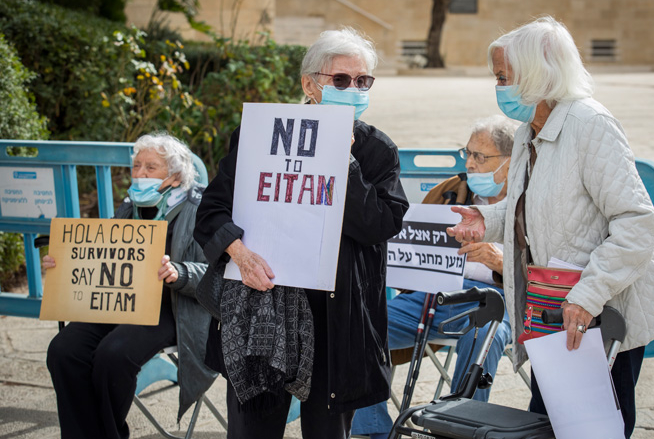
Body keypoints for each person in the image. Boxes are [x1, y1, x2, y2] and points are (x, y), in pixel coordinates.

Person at [447, 16, 654, 439]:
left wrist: (587, 295)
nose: (498, 88)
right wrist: (487, 220)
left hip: (601, 313)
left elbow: (636, 222)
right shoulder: (525, 133)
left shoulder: (590, 124)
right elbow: (531, 210)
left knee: (593, 430)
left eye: (503, 77)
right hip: (554, 310)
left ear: (537, 74)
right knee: (550, 424)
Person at [193, 27, 409, 439]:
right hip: (264, 309)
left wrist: (342, 161)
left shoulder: (377, 150)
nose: (354, 88)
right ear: (310, 85)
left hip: (336, 319)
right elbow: (213, 209)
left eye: (362, 81)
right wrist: (240, 254)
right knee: (253, 429)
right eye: (341, 80)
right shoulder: (260, 134)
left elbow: (381, 224)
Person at [351, 115, 516, 439]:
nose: (469, 163)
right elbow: (408, 243)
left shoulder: (529, 203)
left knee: (482, 338)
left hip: (495, 302)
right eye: (466, 153)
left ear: (510, 163)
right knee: (359, 325)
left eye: (479, 156)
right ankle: (375, 432)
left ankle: (459, 429)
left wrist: (500, 262)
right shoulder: (450, 191)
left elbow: (541, 267)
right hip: (434, 293)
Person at [45, 132, 217, 439]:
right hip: (119, 299)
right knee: (63, 349)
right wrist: (65, 262)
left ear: (175, 176)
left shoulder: (201, 208)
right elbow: (103, 257)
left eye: (151, 168)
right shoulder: (129, 206)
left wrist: (180, 272)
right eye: (137, 166)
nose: (139, 174)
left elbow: (219, 274)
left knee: (114, 355)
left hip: (175, 307)